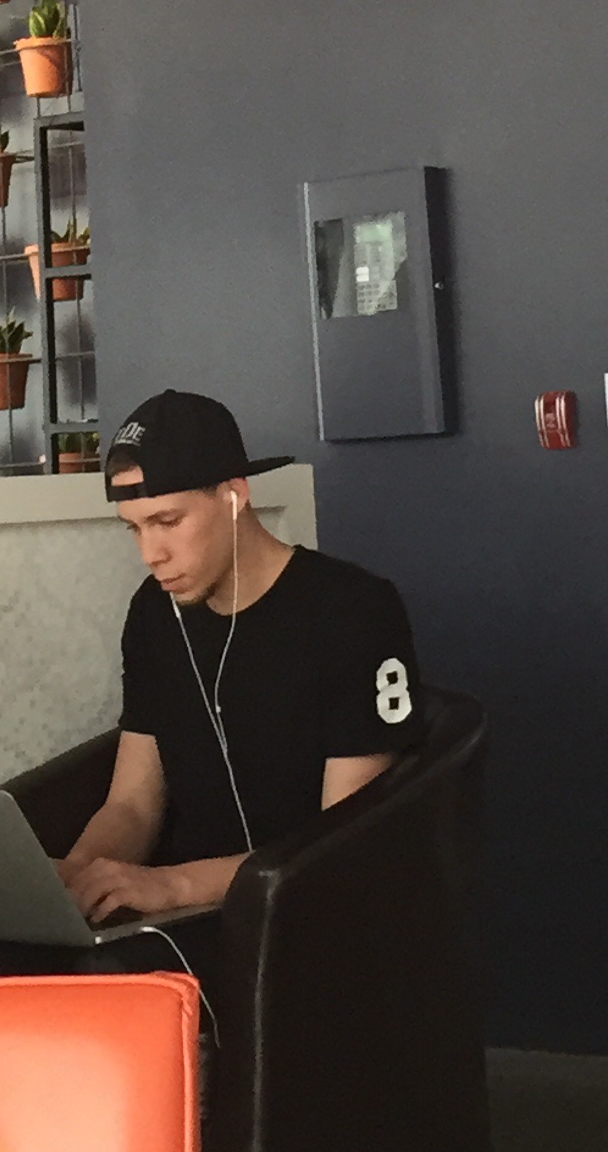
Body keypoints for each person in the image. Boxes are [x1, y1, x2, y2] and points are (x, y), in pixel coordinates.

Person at [57, 389, 422, 926]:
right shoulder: (155, 613)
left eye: (167, 521)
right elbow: (132, 805)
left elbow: (342, 842)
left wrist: (173, 885)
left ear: (234, 496)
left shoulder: (351, 610)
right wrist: (75, 877)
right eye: (135, 527)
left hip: (308, 919)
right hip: (178, 917)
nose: (150, 553)